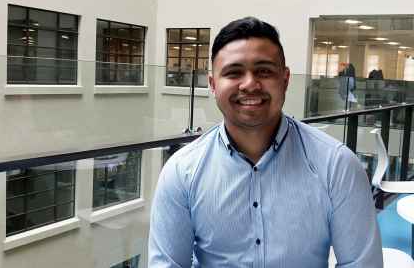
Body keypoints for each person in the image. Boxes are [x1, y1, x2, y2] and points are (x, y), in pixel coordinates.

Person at [149, 17, 382, 267]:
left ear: (285, 79)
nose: (250, 84)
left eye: (264, 71)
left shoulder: (336, 165)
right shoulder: (182, 172)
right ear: (213, 85)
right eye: (234, 72)